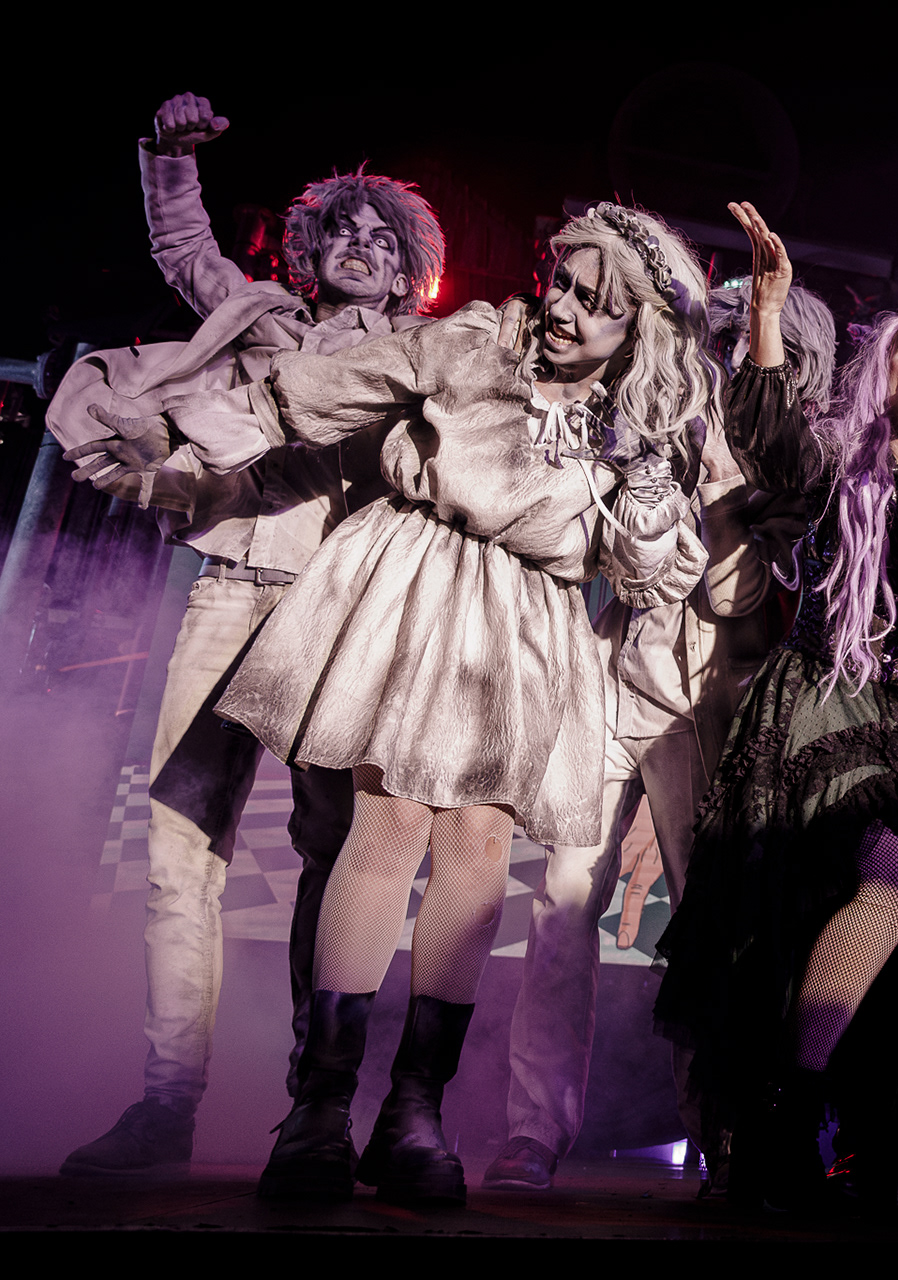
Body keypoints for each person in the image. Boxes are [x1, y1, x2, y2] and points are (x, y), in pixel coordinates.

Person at [150, 202, 716, 1205]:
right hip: (420, 580)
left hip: (527, 623)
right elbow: (325, 389)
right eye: (565, 282)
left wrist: (639, 482)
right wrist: (187, 437)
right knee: (388, 823)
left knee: (479, 849)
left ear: (637, 327)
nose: (566, 308)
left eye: (598, 302)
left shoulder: (637, 431)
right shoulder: (476, 341)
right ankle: (321, 1105)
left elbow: (650, 576)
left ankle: (415, 1108)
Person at [48, 93, 444, 1178]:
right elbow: (184, 248)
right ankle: (166, 1103)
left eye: (383, 236)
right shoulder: (261, 317)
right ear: (309, 248)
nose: (359, 243)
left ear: (409, 267)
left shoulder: (429, 354)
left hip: (345, 614)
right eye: (341, 228)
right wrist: (168, 155)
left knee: (337, 856)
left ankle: (316, 1111)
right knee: (181, 850)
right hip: (230, 593)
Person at [652, 202, 898, 1213]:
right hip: (827, 691)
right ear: (882, 366)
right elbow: (763, 435)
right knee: (893, 873)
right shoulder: (836, 454)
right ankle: (787, 1107)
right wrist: (768, 311)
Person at [481, 277, 838, 1195]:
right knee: (561, 905)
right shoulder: (656, 419)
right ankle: (533, 1128)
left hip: (710, 704)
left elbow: (739, 600)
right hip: (609, 678)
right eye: (719, 343)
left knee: (712, 921)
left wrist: (720, 481)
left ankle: (721, 1129)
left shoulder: (796, 462)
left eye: (753, 348)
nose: (728, 361)